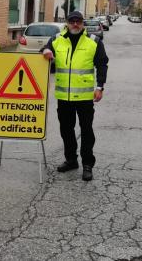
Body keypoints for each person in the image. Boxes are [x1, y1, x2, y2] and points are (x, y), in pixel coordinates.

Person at [42, 10, 108, 181]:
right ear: (67, 23)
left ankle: (87, 164)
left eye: (78, 21)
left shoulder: (94, 42)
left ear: (83, 23)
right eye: (72, 21)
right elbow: (45, 49)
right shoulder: (57, 39)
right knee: (66, 130)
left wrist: (100, 87)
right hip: (64, 97)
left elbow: (102, 64)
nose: (75, 24)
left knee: (86, 131)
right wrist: (45, 52)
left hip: (85, 97)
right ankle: (71, 160)